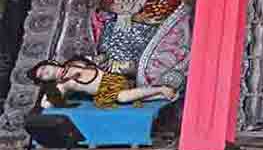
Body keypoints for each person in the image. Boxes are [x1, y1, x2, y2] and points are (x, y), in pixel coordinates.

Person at [26, 58, 178, 109]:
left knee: (122, 97)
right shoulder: (62, 85)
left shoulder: (74, 61)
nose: (46, 72)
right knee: (123, 98)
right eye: (42, 76)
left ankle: (161, 89)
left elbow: (98, 62)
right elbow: (46, 105)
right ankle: (161, 93)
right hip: (104, 91)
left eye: (45, 68)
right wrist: (47, 92)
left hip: (112, 78)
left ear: (51, 63)